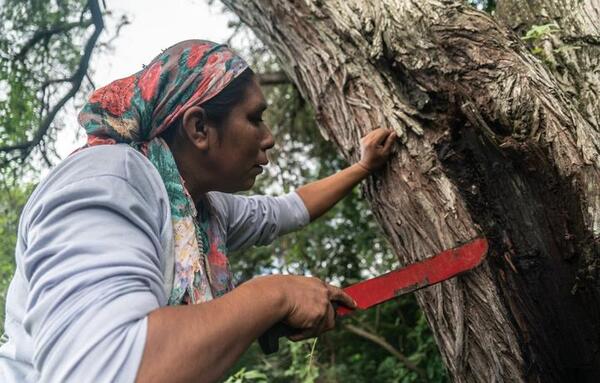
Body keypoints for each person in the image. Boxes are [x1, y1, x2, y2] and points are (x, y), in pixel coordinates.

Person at [0, 40, 396, 382]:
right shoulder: (109, 181)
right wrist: (272, 297)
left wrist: (362, 168)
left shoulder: (200, 210)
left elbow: (288, 210)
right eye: (255, 118)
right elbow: (107, 369)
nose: (269, 138)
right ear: (199, 128)